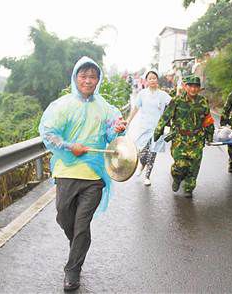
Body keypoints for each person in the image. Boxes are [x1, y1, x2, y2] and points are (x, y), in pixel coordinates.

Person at [39, 56, 127, 291]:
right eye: (84, 76)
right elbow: (48, 134)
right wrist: (70, 146)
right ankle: (78, 246)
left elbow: (111, 133)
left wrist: (117, 127)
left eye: (93, 76)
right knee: (63, 217)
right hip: (67, 173)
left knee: (81, 224)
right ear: (75, 78)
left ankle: (72, 271)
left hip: (94, 177)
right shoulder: (62, 106)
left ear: (98, 80)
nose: (88, 80)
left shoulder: (104, 107)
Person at [154, 75, 215, 198]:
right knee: (180, 165)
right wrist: (158, 130)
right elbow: (166, 116)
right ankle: (177, 178)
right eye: (191, 86)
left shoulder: (203, 102)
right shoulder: (177, 101)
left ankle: (189, 188)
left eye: (196, 86)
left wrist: (210, 134)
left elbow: (208, 119)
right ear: (185, 87)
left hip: (197, 139)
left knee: (194, 166)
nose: (193, 89)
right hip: (180, 140)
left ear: (199, 88)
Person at [126, 70, 172, 186]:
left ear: (157, 80)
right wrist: (128, 121)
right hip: (145, 127)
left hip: (157, 129)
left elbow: (173, 104)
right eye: (150, 78)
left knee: (153, 152)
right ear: (146, 81)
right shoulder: (142, 94)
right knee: (143, 151)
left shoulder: (163, 95)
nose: (152, 80)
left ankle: (147, 176)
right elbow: (135, 108)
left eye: (154, 78)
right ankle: (141, 164)